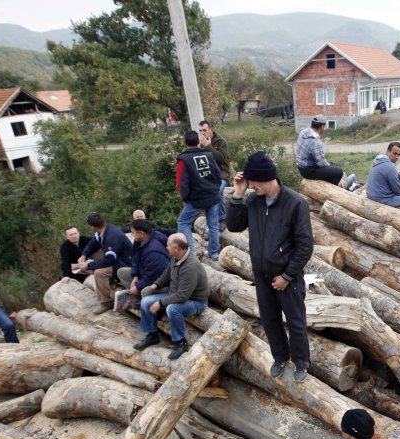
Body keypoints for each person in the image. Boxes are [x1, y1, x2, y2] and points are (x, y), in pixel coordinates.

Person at [227, 151, 314, 383]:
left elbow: (305, 246)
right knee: (269, 319)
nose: (250, 186)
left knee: (295, 322)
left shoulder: (295, 203)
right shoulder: (254, 200)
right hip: (262, 273)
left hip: (287, 276)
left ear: (266, 178)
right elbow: (234, 226)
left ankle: (301, 362)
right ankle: (280, 357)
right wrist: (237, 194)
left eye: (252, 182)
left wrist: (287, 275)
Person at [133, 234, 210, 360]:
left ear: (176, 248)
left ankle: (181, 342)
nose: (166, 248)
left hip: (195, 301)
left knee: (172, 308)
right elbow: (166, 275)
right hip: (175, 294)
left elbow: (183, 296)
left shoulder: (190, 266)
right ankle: (152, 335)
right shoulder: (176, 257)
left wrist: (160, 303)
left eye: (168, 246)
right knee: (146, 301)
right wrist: (154, 286)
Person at [176, 130, 222, 260]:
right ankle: (214, 253)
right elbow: (218, 175)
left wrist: (186, 198)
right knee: (213, 224)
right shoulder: (209, 155)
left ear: (185, 143)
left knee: (183, 222)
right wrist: (215, 189)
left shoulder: (183, 159)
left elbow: (181, 183)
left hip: (196, 199)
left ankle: (190, 254)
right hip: (212, 195)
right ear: (198, 142)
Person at [79, 213, 133, 314]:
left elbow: (109, 260)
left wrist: (89, 265)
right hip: (116, 260)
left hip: (125, 264)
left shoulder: (112, 235)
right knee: (94, 259)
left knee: (99, 272)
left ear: (92, 227)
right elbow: (93, 243)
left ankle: (106, 302)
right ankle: (108, 284)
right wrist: (84, 255)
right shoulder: (103, 230)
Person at [296, 115, 354, 189]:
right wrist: (332, 168)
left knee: (332, 167)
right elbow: (321, 163)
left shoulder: (303, 132)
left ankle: (339, 184)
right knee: (338, 172)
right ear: (322, 126)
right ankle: (336, 189)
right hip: (308, 171)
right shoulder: (316, 142)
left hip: (301, 167)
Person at [117, 219, 171, 298]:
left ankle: (142, 300)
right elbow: (135, 257)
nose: (132, 235)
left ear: (141, 233)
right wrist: (135, 275)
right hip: (145, 273)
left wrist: (138, 287)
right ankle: (136, 296)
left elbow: (153, 276)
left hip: (161, 282)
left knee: (145, 290)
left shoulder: (153, 252)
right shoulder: (140, 240)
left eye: (133, 232)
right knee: (121, 272)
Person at [198, 120, 231, 224]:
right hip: (208, 175)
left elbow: (221, 158)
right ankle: (211, 217)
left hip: (222, 174)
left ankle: (222, 218)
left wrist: (208, 146)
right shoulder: (201, 144)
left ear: (211, 130)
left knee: (217, 191)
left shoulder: (221, 142)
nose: (202, 133)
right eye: (200, 131)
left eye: (204, 130)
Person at [366, 142, 400, 207]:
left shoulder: (377, 160)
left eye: (399, 155)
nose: (397, 157)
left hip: (371, 195)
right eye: (395, 153)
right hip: (383, 199)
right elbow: (397, 190)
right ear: (388, 151)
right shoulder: (390, 166)